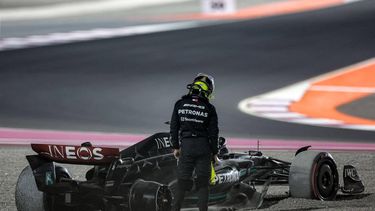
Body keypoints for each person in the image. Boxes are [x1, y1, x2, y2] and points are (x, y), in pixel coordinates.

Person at [170, 73, 219, 211]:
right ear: (208, 90)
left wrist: (176, 147)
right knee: (203, 184)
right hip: (204, 148)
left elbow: (174, 128)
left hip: (186, 147)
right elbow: (214, 133)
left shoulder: (179, 104)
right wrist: (214, 153)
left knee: (182, 183)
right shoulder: (210, 108)